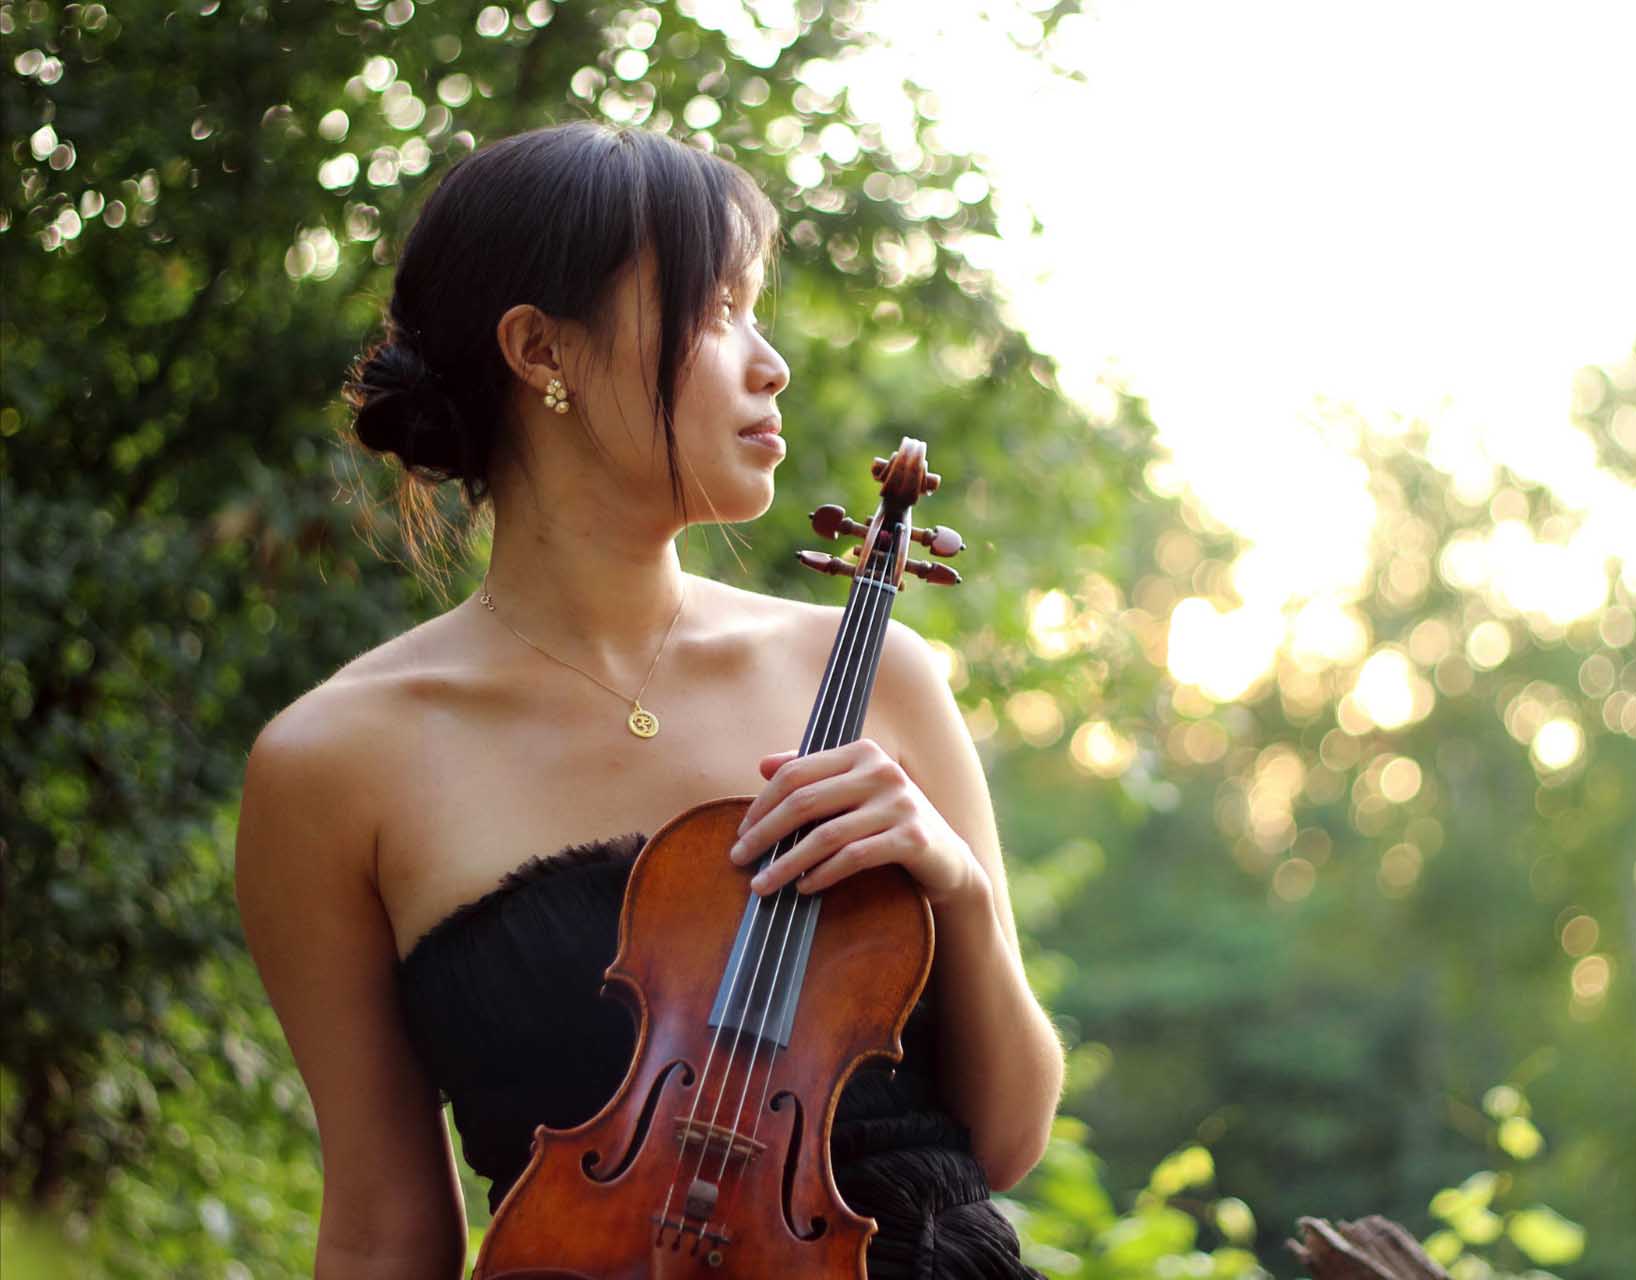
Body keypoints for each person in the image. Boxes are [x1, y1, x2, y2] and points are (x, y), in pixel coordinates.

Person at [233, 120, 1063, 1279]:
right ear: (540, 350)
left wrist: (957, 889)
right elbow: (385, 1227)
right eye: (718, 310)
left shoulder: (874, 673)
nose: (770, 363)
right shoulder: (335, 765)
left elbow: (1009, 1138)